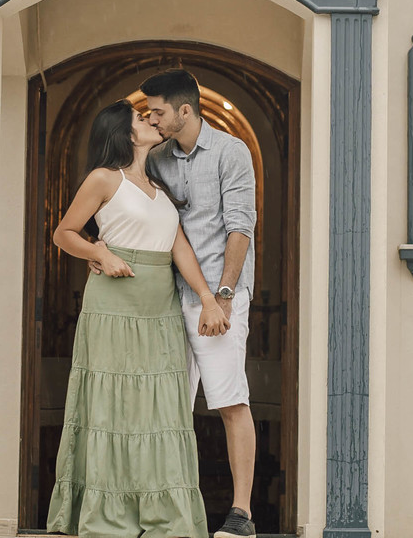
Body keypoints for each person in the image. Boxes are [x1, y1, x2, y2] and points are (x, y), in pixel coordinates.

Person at [46, 99, 229, 538]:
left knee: (160, 409)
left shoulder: (158, 186)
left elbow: (179, 247)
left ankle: (164, 514)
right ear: (124, 133)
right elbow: (63, 233)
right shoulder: (103, 178)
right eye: (140, 118)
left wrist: (208, 298)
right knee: (112, 407)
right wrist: (99, 252)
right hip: (113, 306)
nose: (150, 121)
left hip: (160, 308)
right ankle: (108, 515)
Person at [143, 69, 259, 538]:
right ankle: (171, 512)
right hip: (169, 299)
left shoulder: (232, 152)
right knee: (170, 410)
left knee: (229, 400)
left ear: (185, 110)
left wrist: (224, 298)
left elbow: (240, 227)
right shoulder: (156, 159)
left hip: (220, 299)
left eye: (158, 111)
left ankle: (242, 515)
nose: (152, 119)